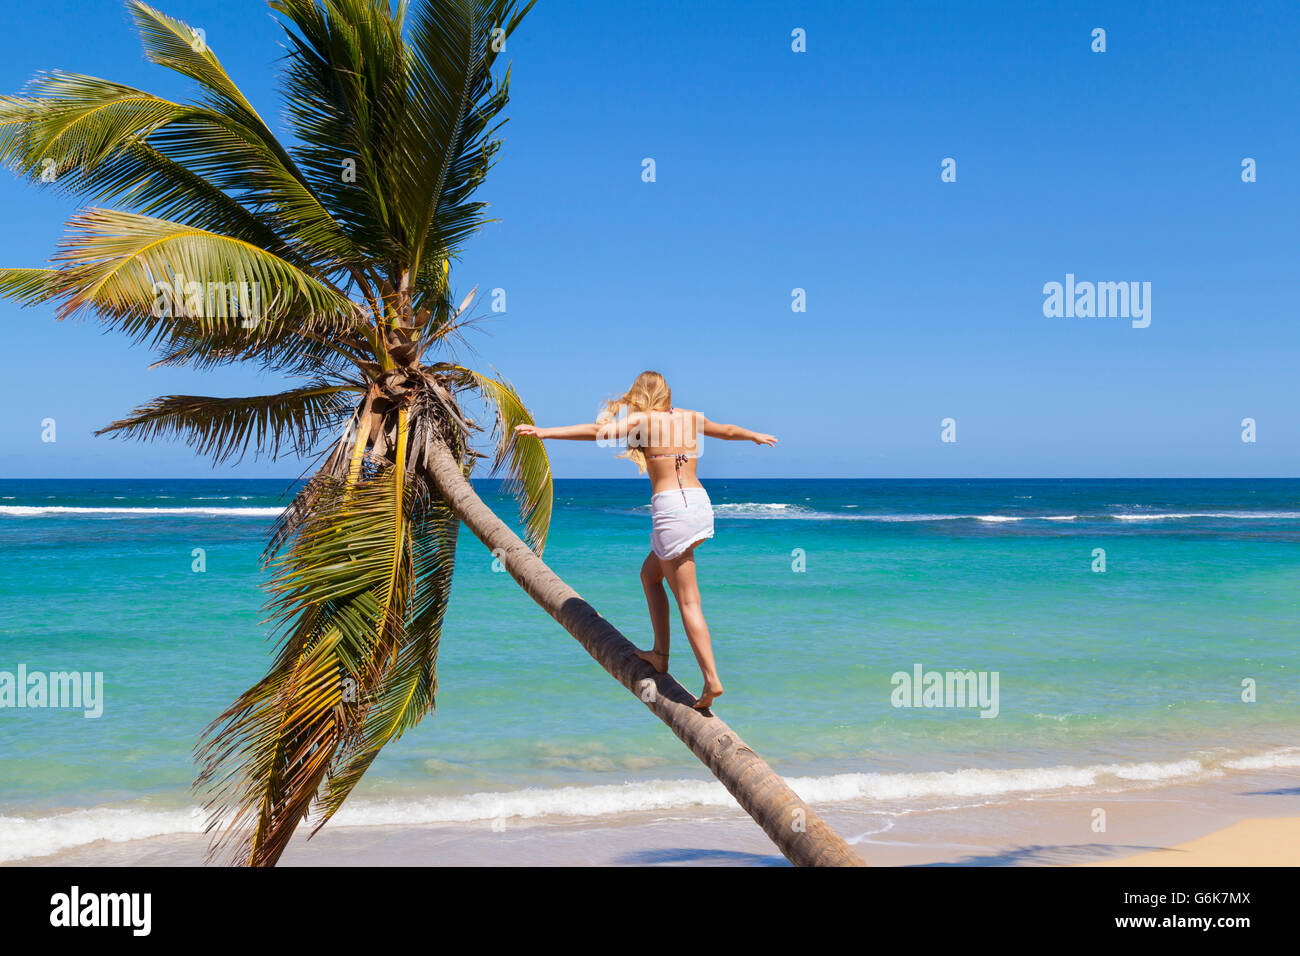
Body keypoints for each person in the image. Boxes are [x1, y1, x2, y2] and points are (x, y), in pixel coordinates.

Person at [515, 371, 777, 710]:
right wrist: (753, 436)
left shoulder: (644, 421)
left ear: (640, 395)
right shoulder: (689, 417)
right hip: (698, 504)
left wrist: (544, 433)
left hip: (672, 511)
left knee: (688, 601)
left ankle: (711, 679)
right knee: (650, 576)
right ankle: (660, 655)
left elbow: (598, 432)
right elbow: (726, 431)